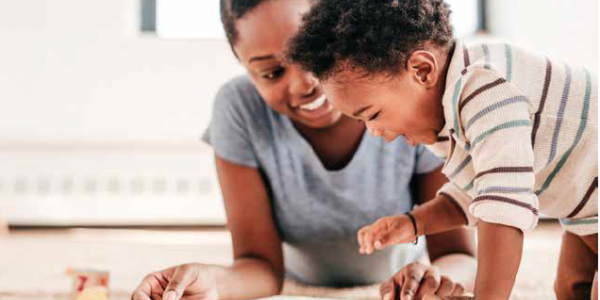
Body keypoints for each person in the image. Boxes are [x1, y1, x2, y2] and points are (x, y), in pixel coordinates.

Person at [132, 1, 477, 300]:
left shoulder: (407, 100)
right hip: (297, 278)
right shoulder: (238, 109)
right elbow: (260, 266)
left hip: (404, 270)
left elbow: (458, 254)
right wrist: (212, 281)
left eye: (316, 52)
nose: (306, 84)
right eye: (272, 72)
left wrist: (434, 278)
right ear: (244, 66)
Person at [285, 0, 598, 299]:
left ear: (422, 70)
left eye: (373, 115)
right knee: (572, 289)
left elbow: (502, 207)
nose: (376, 133)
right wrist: (414, 222)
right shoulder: (450, 118)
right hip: (586, 208)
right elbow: (476, 191)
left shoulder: (484, 88)